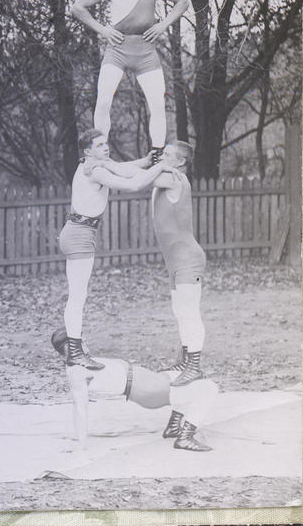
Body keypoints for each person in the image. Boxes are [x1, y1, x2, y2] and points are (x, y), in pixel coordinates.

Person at [58, 129, 168, 370]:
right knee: (78, 296)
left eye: (105, 143)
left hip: (78, 231)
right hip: (79, 235)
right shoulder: (96, 171)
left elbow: (123, 168)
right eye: (99, 145)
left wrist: (146, 161)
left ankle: (65, 337)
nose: (105, 147)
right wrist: (162, 166)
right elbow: (133, 184)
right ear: (88, 151)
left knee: (77, 295)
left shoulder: (93, 164)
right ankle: (74, 351)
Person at [70, 0, 189, 160]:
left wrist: (163, 25)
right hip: (117, 49)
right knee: (103, 100)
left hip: (145, 50)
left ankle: (157, 152)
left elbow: (182, 1)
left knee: (157, 103)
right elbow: (77, 7)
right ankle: (99, 152)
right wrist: (103, 30)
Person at [51, 329, 213, 452]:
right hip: (145, 389)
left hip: (146, 381)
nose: (84, 344)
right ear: (69, 349)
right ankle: (185, 438)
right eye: (78, 343)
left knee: (190, 377)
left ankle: (173, 427)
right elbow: (80, 407)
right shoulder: (77, 371)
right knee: (209, 388)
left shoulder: (81, 363)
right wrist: (80, 442)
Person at [150, 141, 207, 387]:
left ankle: (194, 366)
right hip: (175, 262)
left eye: (167, 154)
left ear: (181, 162)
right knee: (180, 312)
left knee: (189, 312)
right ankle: (185, 361)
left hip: (187, 260)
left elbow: (140, 180)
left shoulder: (175, 179)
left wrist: (103, 168)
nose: (162, 157)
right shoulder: (166, 177)